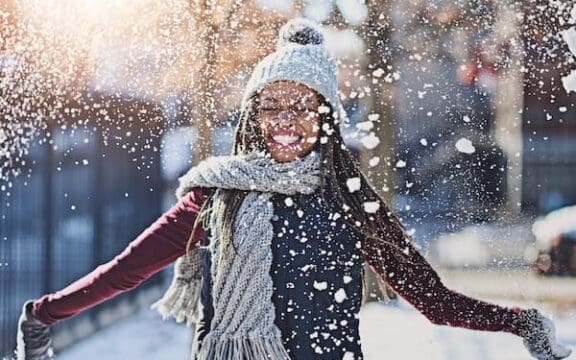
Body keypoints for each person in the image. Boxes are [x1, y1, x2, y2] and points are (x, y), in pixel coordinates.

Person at [16, 18, 572, 360]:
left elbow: (432, 301)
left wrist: (520, 323)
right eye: (271, 106)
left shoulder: (352, 200)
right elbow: (128, 270)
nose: (285, 119)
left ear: (325, 115)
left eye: (302, 105)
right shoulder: (217, 196)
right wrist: (45, 313)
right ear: (253, 116)